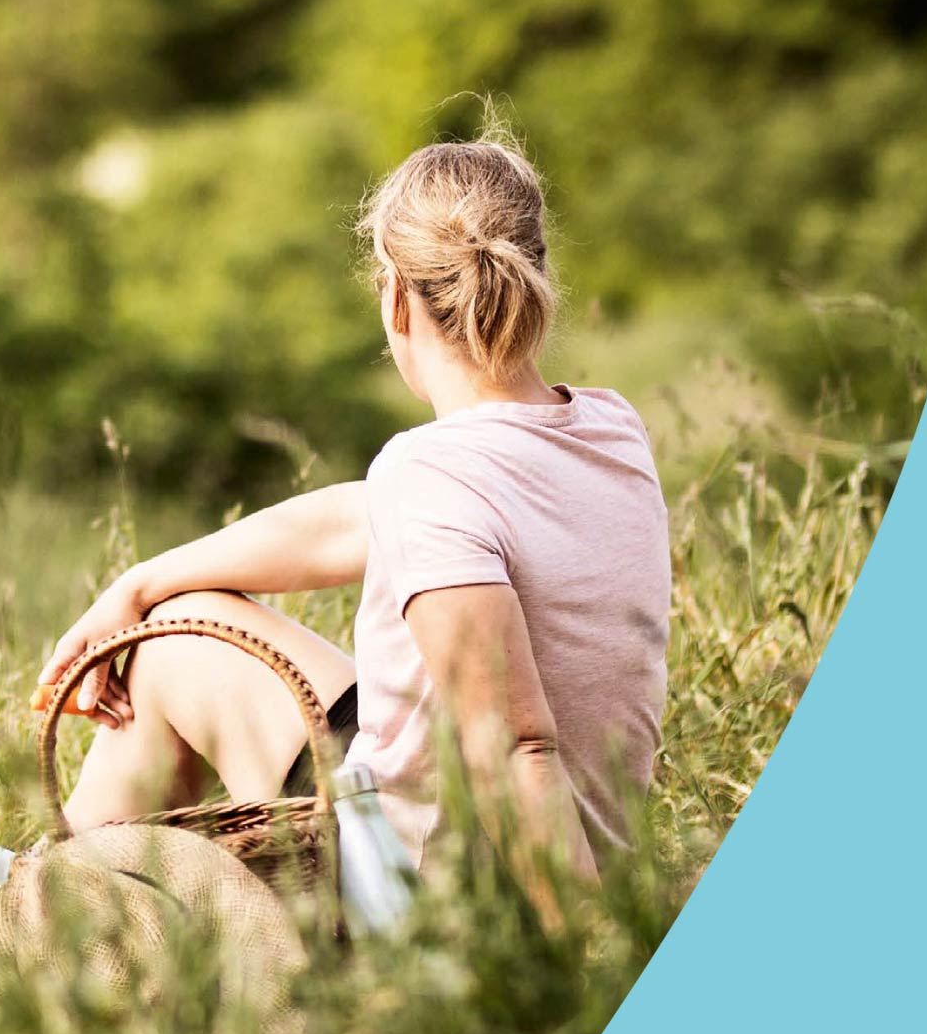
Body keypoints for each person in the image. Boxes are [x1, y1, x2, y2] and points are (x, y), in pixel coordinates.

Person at [36, 133, 671, 908]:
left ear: (394, 298)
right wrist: (138, 584)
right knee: (179, 610)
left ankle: (48, 902)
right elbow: (352, 521)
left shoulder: (430, 475)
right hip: (577, 848)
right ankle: (81, 886)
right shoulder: (610, 430)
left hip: (441, 900)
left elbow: (514, 748)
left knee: (170, 647)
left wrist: (585, 966)